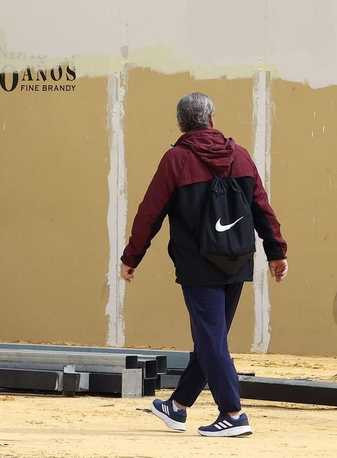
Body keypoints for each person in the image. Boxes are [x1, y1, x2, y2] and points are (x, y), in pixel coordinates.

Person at [120, 92, 288, 438]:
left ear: (182, 123)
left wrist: (131, 257)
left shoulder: (177, 160)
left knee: (211, 339)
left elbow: (149, 212)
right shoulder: (239, 155)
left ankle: (233, 412)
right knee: (211, 338)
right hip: (237, 260)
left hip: (199, 265)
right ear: (212, 119)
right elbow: (261, 206)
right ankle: (178, 406)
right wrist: (276, 252)